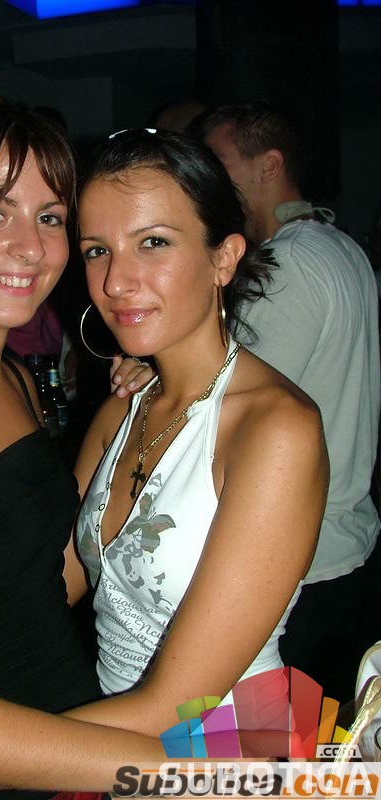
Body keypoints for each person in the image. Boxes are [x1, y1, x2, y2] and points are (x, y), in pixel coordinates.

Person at [0, 125, 327, 796]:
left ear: (224, 258)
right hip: (99, 744)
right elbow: (43, 577)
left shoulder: (278, 431)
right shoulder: (123, 408)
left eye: (154, 242)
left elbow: (171, 708)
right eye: (97, 250)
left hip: (218, 757)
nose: (117, 280)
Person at [198, 101, 381, 703]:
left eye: (218, 162)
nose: (206, 177)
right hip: (345, 547)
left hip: (300, 564)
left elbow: (224, 411)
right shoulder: (342, 247)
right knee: (320, 740)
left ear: (269, 165)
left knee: (259, 747)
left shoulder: (287, 264)